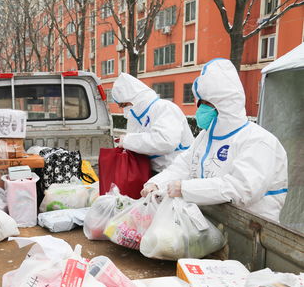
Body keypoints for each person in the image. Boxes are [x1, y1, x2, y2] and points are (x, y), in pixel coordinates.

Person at [142, 58, 288, 222]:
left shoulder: (259, 141)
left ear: (224, 104)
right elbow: (183, 166)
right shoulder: (205, 136)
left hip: (252, 232)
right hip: (211, 223)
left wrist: (185, 188)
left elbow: (241, 189)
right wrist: (157, 183)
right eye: (200, 103)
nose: (200, 109)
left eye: (205, 103)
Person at [111, 73, 194, 172]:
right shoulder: (136, 117)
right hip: (154, 171)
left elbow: (165, 141)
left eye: (123, 104)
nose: (123, 109)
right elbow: (137, 144)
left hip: (177, 171)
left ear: (133, 98)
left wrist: (127, 141)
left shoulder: (164, 108)